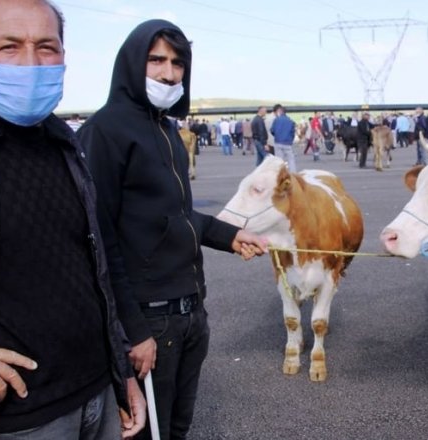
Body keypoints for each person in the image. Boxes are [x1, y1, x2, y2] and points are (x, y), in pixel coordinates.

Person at [0, 1, 146, 438]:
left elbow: (95, 272)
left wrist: (120, 371)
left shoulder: (67, 145)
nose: (31, 63)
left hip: (96, 399)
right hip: (8, 418)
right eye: (9, 47)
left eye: (47, 47)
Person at [77, 19, 268, 440]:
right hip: (150, 321)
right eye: (156, 59)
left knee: (178, 427)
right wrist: (135, 331)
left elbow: (176, 215)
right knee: (148, 434)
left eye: (178, 63)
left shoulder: (166, 130)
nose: (168, 72)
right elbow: (98, 240)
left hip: (190, 313)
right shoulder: (106, 131)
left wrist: (229, 236)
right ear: (131, 62)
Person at [269, 104, 297, 171]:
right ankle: (293, 173)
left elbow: (272, 130)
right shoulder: (291, 121)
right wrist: (291, 140)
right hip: (287, 142)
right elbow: (293, 132)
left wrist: (276, 135)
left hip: (278, 142)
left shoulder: (276, 120)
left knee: (279, 160)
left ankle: (280, 173)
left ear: (281, 111)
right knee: (291, 159)